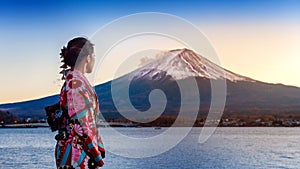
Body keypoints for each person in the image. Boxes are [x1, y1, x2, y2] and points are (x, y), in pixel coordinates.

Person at [55, 37, 105, 169]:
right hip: (77, 150)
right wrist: (95, 152)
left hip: (76, 146)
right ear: (87, 58)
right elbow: (81, 121)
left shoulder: (74, 80)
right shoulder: (76, 83)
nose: (94, 59)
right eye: (94, 55)